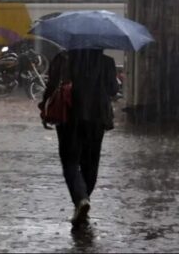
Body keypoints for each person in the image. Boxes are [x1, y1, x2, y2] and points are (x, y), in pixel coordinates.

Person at [39, 48, 118, 227]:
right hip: (97, 118)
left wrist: (44, 109)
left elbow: (51, 86)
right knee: (90, 163)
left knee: (70, 162)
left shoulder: (62, 58)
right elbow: (113, 90)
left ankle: (81, 200)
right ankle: (83, 201)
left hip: (69, 116)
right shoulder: (107, 62)